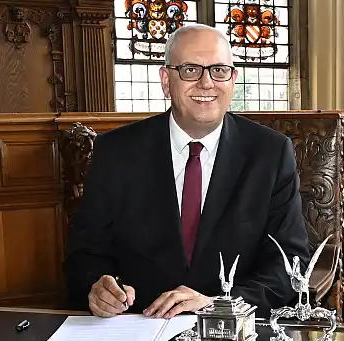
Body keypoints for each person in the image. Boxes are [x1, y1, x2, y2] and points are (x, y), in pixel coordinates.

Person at [64, 24, 309, 319]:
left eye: (219, 70)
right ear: (166, 81)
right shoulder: (116, 152)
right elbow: (84, 256)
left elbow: (289, 267)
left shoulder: (270, 153)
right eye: (191, 70)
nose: (207, 83)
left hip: (235, 335)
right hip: (139, 329)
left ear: (233, 80)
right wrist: (97, 288)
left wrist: (217, 304)